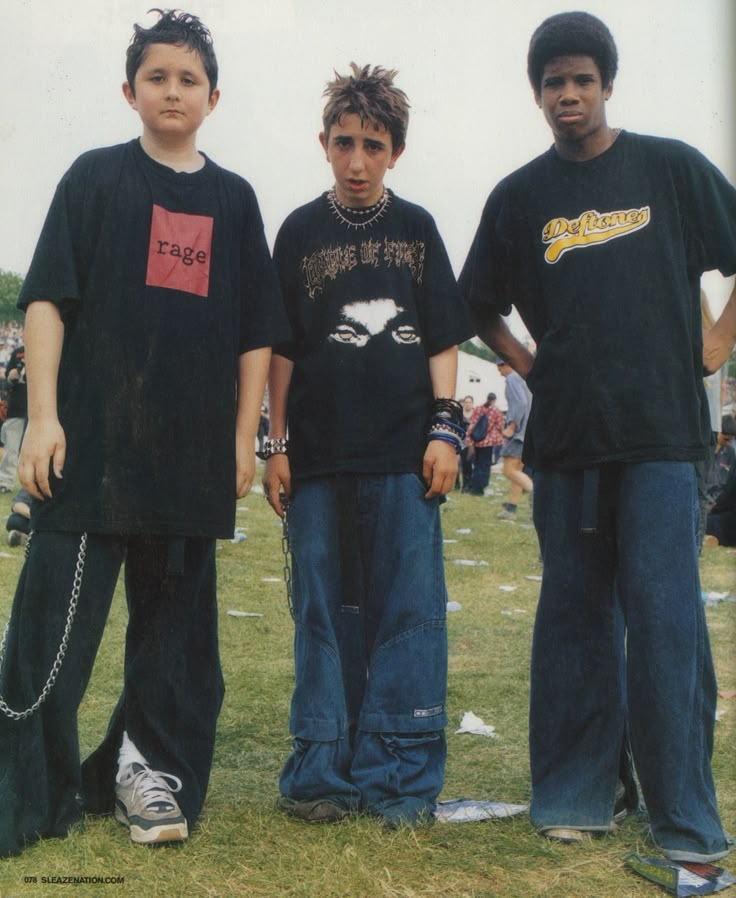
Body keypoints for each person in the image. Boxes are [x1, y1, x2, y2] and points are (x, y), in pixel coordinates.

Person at [0, 9, 288, 857]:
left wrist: (246, 437)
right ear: (130, 91)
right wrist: (42, 418)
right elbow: (49, 299)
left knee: (176, 648)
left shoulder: (235, 200)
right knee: (52, 638)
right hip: (91, 454)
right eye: (157, 77)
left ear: (214, 97)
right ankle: (29, 787)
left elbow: (254, 333)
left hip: (190, 463)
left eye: (188, 79)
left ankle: (146, 775)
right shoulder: (94, 179)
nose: (172, 91)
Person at [460, 11, 736, 862]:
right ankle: (578, 792)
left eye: (582, 79)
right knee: (576, 615)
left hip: (661, 437)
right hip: (571, 439)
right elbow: (472, 305)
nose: (568, 94)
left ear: (606, 84)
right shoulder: (520, 196)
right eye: (553, 82)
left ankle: (682, 813)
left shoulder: (671, 168)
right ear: (537, 94)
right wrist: (530, 363)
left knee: (664, 616)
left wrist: (718, 339)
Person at [263, 63, 473, 828]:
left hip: (404, 458)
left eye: (373, 145)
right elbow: (281, 350)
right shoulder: (297, 231)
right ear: (324, 144)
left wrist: (446, 427)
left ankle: (398, 779)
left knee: (407, 616)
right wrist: (274, 443)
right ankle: (321, 773)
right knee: (322, 614)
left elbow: (443, 338)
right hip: (317, 457)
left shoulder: (416, 230)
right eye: (344, 143)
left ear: (396, 152)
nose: (357, 161)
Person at [496, 360, 533, 519]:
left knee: (508, 470)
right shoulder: (524, 378)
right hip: (528, 432)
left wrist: (511, 427)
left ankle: (537, 495)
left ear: (506, 364)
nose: (500, 372)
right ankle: (511, 508)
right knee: (517, 471)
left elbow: (520, 404)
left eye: (499, 367)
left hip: (518, 433)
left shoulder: (512, 378)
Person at [465, 392, 504, 495]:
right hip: (488, 442)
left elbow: (472, 424)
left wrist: (470, 440)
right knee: (485, 465)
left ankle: (474, 486)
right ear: (494, 400)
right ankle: (480, 488)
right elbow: (500, 426)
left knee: (477, 464)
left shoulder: (478, 409)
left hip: (477, 441)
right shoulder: (496, 411)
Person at [0, 344, 27, 493]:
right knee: (11, 447)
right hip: (17, 406)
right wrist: (15, 374)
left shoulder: (48, 347)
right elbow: (8, 379)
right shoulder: (18, 352)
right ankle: (5, 481)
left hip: (39, 405)